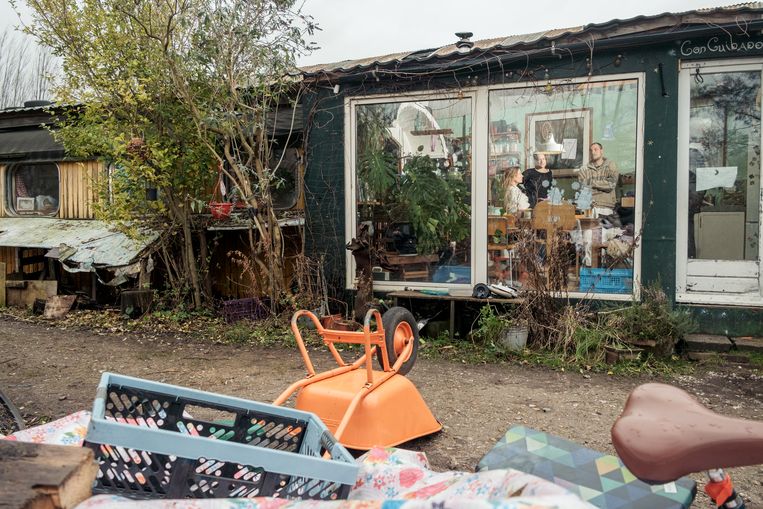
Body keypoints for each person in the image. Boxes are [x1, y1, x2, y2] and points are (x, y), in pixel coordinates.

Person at [577, 142, 619, 218]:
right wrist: (603, 185)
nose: (593, 152)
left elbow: (611, 185)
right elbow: (583, 188)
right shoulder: (584, 169)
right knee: (588, 230)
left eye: (595, 149)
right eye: (591, 150)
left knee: (605, 229)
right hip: (589, 208)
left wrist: (591, 183)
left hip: (606, 207)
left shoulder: (611, 165)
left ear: (601, 151)